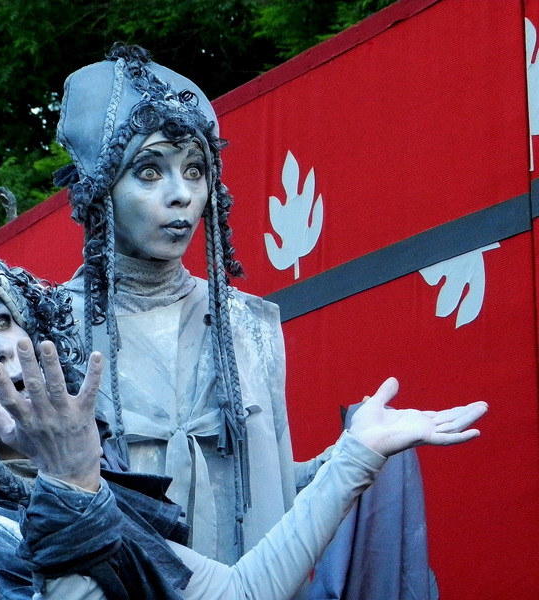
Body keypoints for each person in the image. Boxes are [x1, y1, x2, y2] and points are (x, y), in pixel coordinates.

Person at [0, 239, 487, 600]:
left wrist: (355, 456)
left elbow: (238, 592)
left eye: (3, 318)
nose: (4, 347)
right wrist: (69, 487)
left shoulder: (80, 490)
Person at [53, 42, 449, 597]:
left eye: (195, 170)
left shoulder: (249, 325)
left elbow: (272, 493)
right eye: (149, 171)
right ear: (99, 188)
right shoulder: (52, 331)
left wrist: (354, 452)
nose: (181, 195)